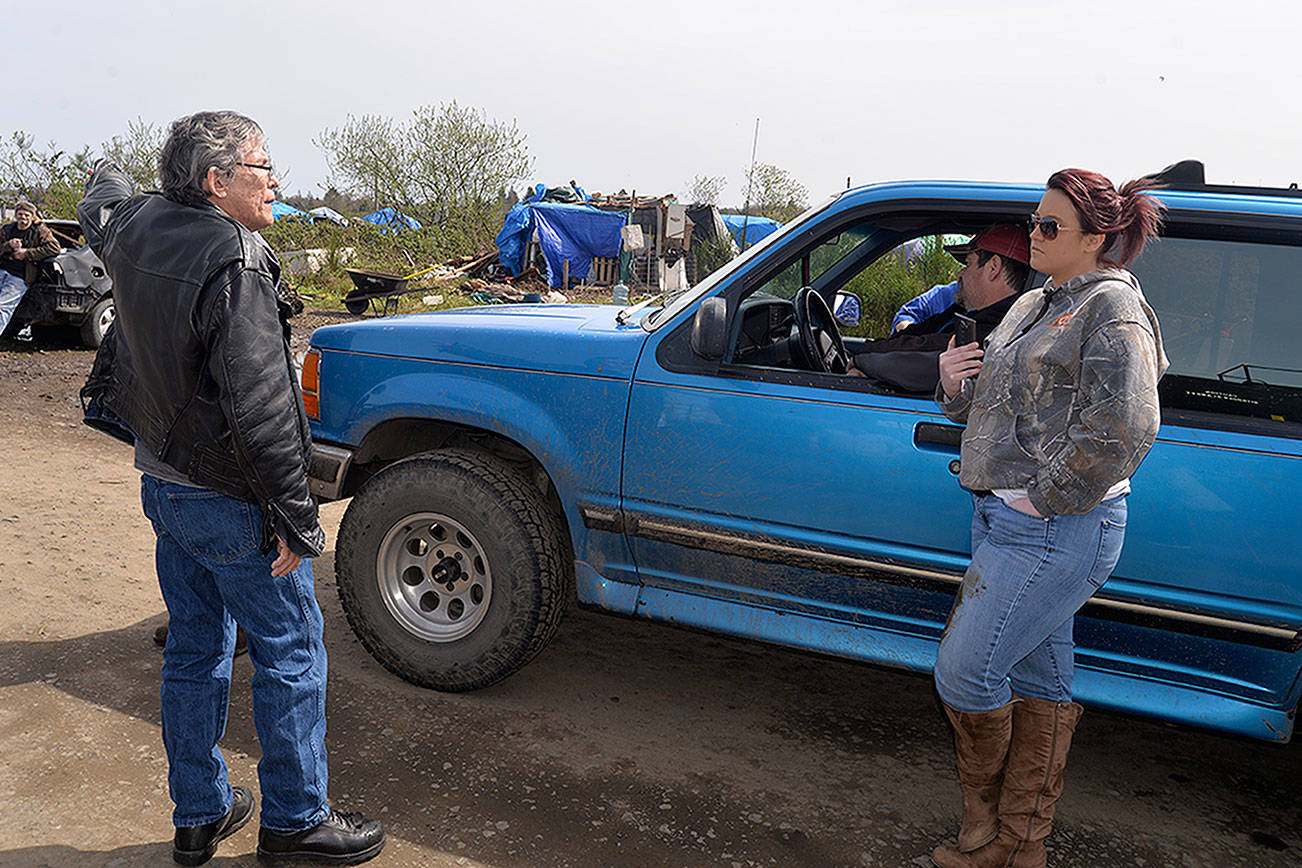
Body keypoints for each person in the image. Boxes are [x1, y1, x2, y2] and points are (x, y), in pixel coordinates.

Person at [77, 111, 385, 866]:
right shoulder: (238, 258)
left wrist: (122, 180)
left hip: (164, 485)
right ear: (217, 182)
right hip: (226, 496)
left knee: (193, 648)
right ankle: (294, 823)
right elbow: (262, 406)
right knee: (291, 651)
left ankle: (199, 815)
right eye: (263, 165)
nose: (276, 180)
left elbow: (100, 197)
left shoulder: (136, 223)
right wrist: (294, 515)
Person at [926, 170, 1167, 868]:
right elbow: (1005, 410)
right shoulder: (1036, 301)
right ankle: (1021, 844)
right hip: (1008, 520)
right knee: (1039, 683)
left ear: (1098, 239)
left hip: (1057, 529)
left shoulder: (1111, 311)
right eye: (1035, 221)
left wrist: (1045, 496)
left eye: (1050, 227)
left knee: (965, 674)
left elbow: (1125, 429)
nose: (1034, 234)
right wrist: (952, 387)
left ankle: (981, 830)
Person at [849, 224, 1030, 392]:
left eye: (968, 264)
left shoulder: (992, 330)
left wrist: (859, 358)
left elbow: (919, 357)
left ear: (993, 268)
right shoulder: (972, 314)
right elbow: (915, 335)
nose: (960, 273)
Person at [0, 201, 60, 335]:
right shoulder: (7, 229)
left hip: (21, 277)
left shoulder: (40, 230)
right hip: (2, 270)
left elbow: (54, 248)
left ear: (32, 216)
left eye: (27, 215)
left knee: (3, 306)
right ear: (15, 215)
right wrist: (8, 245)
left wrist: (27, 253)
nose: (23, 218)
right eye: (20, 214)